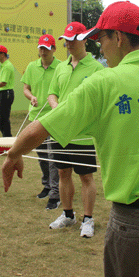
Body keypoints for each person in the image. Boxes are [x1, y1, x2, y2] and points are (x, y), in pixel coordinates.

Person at [2, 1, 139, 277]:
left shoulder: (102, 83)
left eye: (101, 39)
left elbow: (42, 128)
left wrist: (13, 154)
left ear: (119, 38)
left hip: (132, 224)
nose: (101, 48)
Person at [45, 22, 104, 237]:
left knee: (86, 176)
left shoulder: (97, 68)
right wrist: (56, 108)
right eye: (66, 40)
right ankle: (68, 215)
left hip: (84, 134)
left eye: (73, 39)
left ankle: (88, 219)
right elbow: (52, 93)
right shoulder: (61, 67)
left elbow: (101, 101)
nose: (68, 44)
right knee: (63, 173)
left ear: (84, 39)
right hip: (60, 132)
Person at [21, 34, 61, 209]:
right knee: (42, 156)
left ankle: (55, 193)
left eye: (46, 48)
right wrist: (31, 97)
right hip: (35, 117)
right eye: (41, 48)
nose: (43, 51)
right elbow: (26, 88)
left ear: (54, 49)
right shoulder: (32, 66)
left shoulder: (61, 67)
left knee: (53, 157)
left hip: (53, 117)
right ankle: (46, 185)